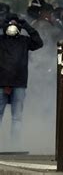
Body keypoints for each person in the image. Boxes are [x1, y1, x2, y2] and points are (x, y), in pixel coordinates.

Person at [0, 14, 43, 146]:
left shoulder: (24, 41)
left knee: (17, 117)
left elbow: (39, 43)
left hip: (17, 83)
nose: (12, 28)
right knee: (11, 117)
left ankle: (15, 145)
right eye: (9, 25)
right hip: (3, 83)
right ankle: (14, 144)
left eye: (15, 25)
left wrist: (27, 26)